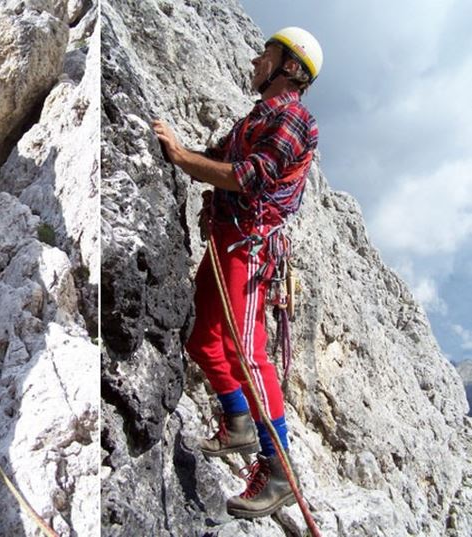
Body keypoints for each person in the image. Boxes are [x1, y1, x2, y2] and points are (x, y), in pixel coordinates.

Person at [153, 27, 322, 519]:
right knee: (203, 338)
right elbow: (221, 157)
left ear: (288, 67)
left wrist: (184, 157)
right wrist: (192, 161)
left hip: (249, 246)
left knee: (247, 353)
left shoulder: (294, 119)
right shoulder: (258, 117)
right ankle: (239, 423)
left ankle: (279, 470)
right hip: (227, 239)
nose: (255, 59)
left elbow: (248, 177)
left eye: (266, 53)